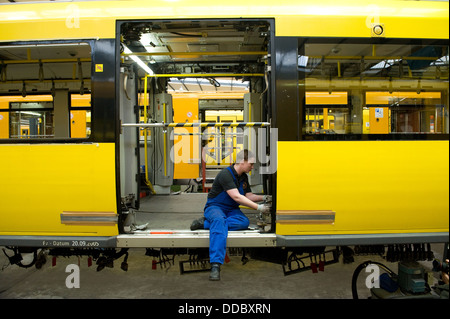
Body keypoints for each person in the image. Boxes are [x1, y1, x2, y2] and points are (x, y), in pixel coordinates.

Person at [190, 149, 271, 281]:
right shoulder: (225, 174)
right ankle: (216, 264)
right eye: (250, 163)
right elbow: (237, 197)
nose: (252, 166)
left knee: (243, 222)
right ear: (242, 162)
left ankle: (204, 223)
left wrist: (265, 197)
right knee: (219, 220)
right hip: (215, 207)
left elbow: (247, 195)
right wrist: (259, 208)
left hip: (231, 209)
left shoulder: (243, 177)